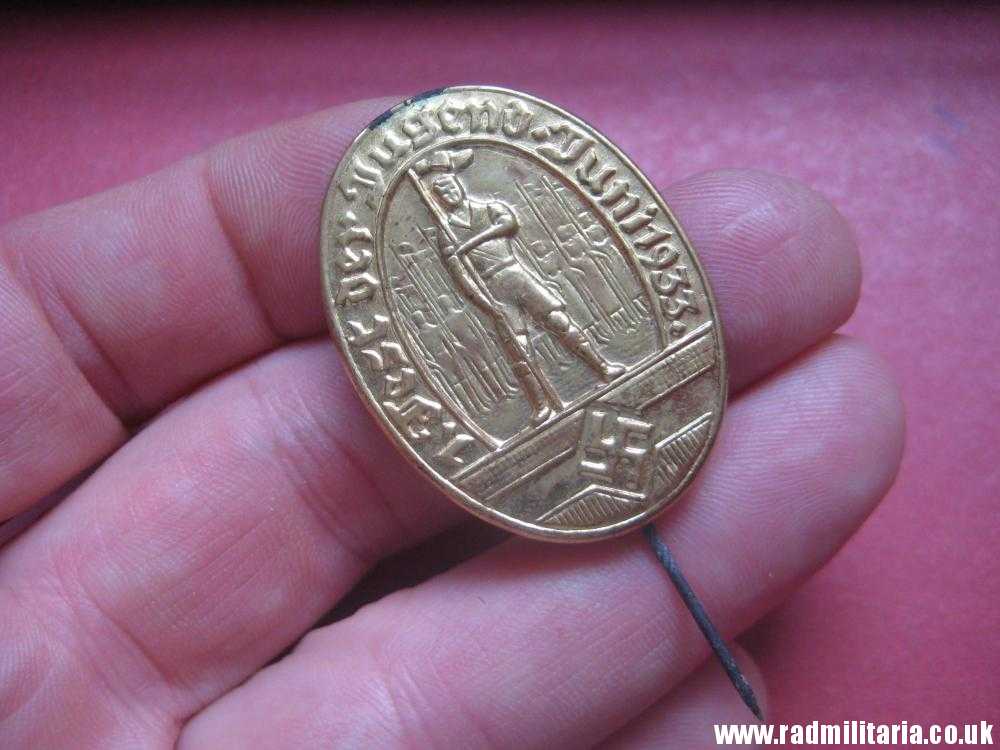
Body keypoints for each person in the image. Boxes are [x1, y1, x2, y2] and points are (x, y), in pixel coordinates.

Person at [0, 95, 903, 748]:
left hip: (520, 280)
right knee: (524, 348)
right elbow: (469, 271)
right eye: (432, 182)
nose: (440, 188)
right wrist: (467, 247)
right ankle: (550, 401)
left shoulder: (481, 208)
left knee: (563, 322)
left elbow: (498, 231)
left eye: (443, 179)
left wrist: (479, 233)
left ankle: (600, 373)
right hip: (492, 295)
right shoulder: (441, 230)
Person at [424, 154, 625, 424]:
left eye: (450, 186)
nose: (449, 193)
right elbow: (459, 275)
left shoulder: (490, 208)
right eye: (442, 192)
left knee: (559, 321)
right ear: (438, 198)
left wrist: (469, 243)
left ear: (459, 184)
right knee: (518, 347)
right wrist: (484, 302)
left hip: (516, 275)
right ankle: (541, 405)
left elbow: (508, 224)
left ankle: (603, 367)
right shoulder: (446, 231)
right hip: (492, 289)